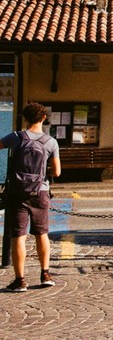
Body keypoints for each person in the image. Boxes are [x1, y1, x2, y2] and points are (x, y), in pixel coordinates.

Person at [2, 102, 61, 292]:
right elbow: (57, 172)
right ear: (43, 118)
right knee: (42, 233)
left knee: (18, 236)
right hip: (40, 191)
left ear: (25, 118)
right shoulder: (50, 142)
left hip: (18, 192)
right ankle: (45, 274)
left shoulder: (16, 137)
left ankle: (20, 280)